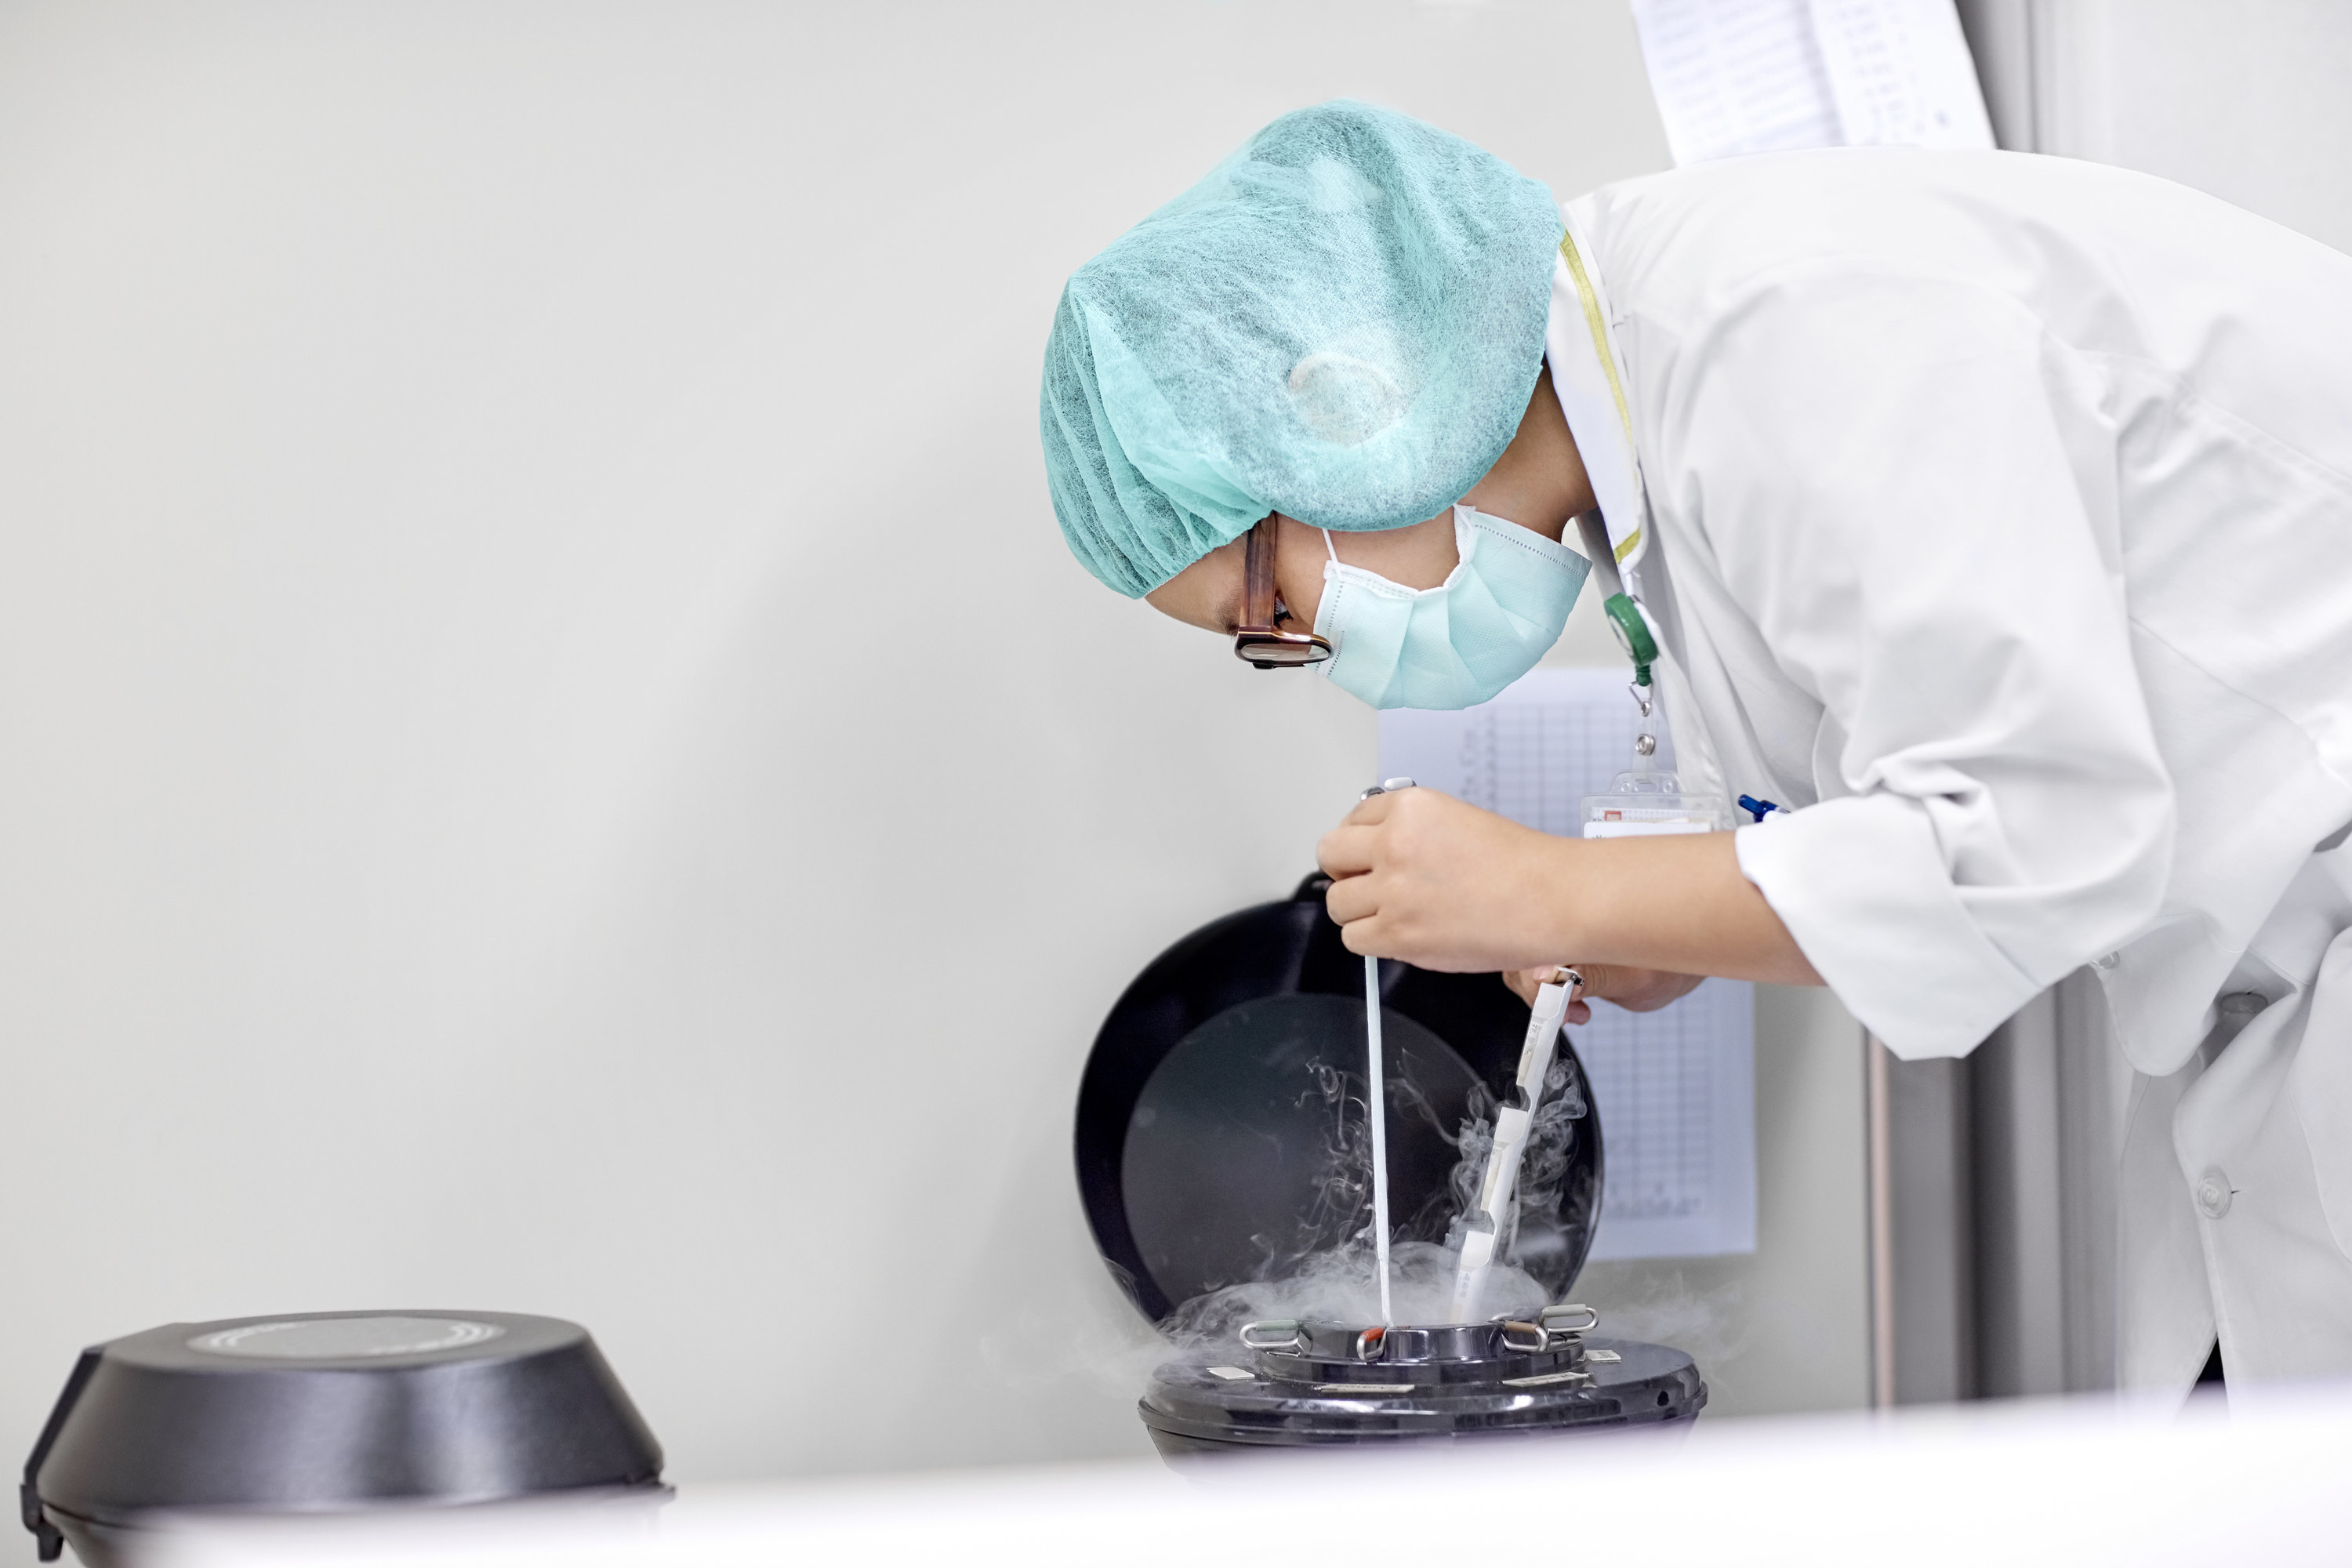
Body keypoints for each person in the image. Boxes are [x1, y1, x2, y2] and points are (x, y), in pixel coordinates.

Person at [1039, 100, 2352, 1395]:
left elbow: (2040, 839)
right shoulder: (1652, 410)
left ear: (1338, 405)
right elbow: (1983, 805)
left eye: (1268, 608)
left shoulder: (1784, 333)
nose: (1301, 649)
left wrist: (1553, 889)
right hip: (2274, 999)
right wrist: (1667, 917)